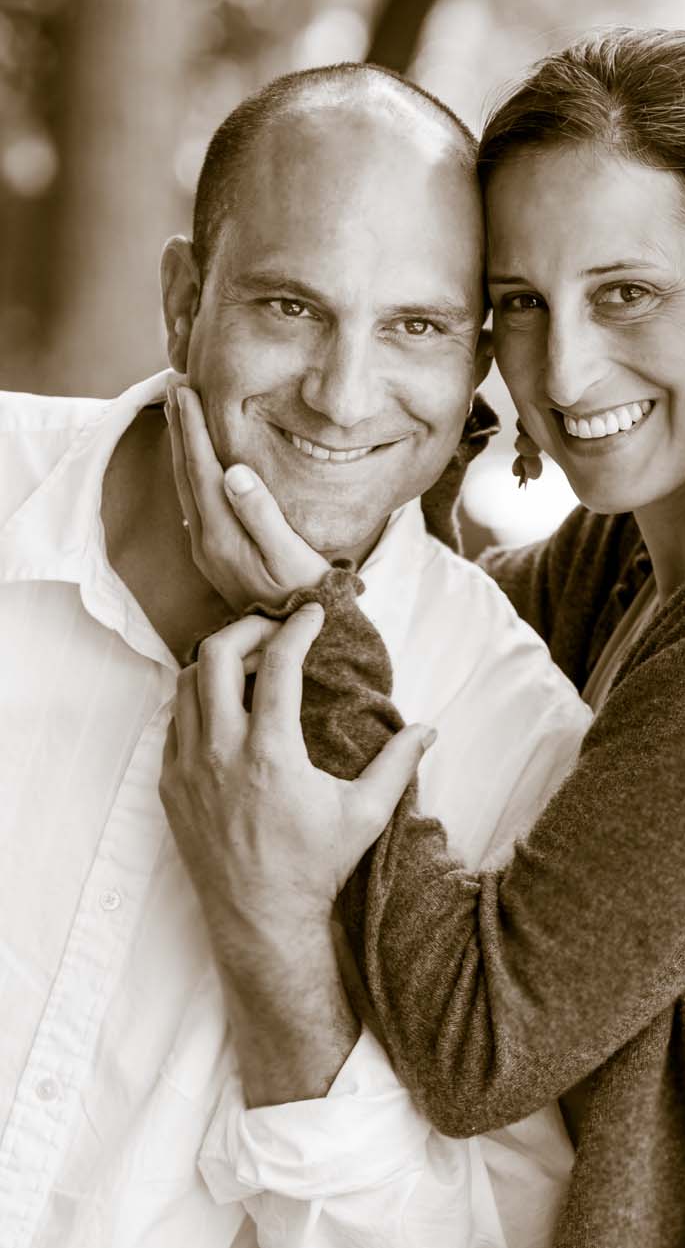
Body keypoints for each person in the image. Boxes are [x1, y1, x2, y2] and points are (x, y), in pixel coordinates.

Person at [160, 27, 685, 1247]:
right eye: (517, 304)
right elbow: (446, 625)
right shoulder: (632, 561)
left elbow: (477, 1042)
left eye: (627, 293)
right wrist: (387, 445)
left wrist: (311, 617)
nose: (560, 371)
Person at [0, 64, 593, 1248]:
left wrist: (275, 945)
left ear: (473, 362)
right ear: (184, 302)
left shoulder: (511, 731)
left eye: (415, 328)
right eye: (290, 307)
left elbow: (489, 1235)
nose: (342, 393)